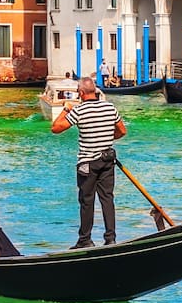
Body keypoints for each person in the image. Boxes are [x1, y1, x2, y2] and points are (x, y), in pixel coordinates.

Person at [49, 76, 126, 248]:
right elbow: (122, 131)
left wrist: (66, 109)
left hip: (88, 164)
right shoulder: (110, 107)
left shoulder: (79, 110)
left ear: (81, 93)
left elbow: (55, 128)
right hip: (107, 160)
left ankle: (85, 240)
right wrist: (106, 139)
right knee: (107, 199)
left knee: (87, 201)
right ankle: (110, 238)